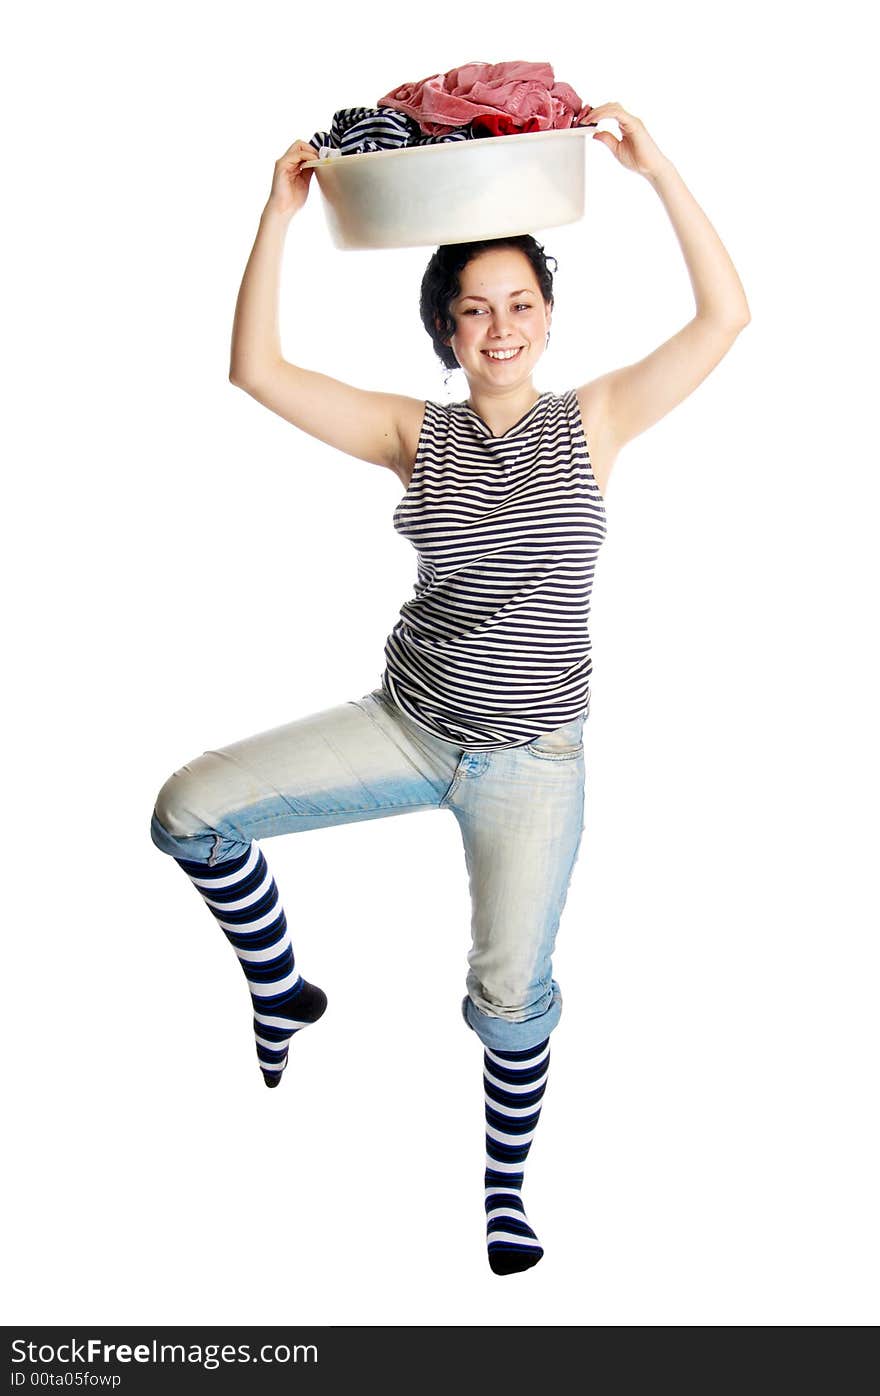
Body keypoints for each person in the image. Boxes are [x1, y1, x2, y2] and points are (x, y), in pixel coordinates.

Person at [150, 101, 750, 1274]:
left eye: (519, 303)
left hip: (533, 763)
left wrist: (656, 168)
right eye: (473, 309)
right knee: (186, 810)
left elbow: (727, 316)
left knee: (510, 998)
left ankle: (504, 1190)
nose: (499, 326)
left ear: (547, 314)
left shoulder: (597, 420)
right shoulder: (409, 434)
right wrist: (276, 218)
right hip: (410, 725)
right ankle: (283, 989)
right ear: (445, 330)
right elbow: (252, 369)